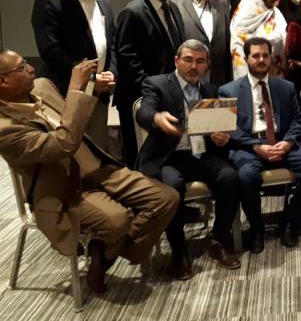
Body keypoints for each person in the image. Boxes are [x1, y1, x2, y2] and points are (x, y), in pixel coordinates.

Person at [0, 52, 178, 293]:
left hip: (96, 167)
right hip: (63, 190)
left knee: (166, 198)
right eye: (22, 67)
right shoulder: (5, 129)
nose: (31, 69)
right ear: (3, 81)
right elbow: (63, 144)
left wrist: (93, 90)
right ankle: (108, 247)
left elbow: (73, 118)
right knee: (117, 220)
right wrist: (75, 88)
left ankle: (104, 254)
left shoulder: (42, 87)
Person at [136, 40, 241, 279]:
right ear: (177, 61)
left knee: (230, 177)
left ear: (207, 65)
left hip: (201, 155)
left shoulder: (212, 91)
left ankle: (219, 240)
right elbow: (144, 111)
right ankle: (179, 251)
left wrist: (220, 138)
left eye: (200, 61)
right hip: (168, 157)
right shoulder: (157, 84)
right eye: (188, 60)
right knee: (172, 186)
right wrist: (156, 117)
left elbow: (218, 131)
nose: (194, 66)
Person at [219, 37, 301, 249]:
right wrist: (255, 146)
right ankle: (256, 228)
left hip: (282, 143)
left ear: (271, 58)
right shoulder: (229, 91)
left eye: (265, 55)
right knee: (246, 176)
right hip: (249, 147)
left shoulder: (286, 87)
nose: (261, 60)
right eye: (255, 56)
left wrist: (287, 143)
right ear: (246, 58)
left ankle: (291, 220)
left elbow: (298, 120)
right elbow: (229, 128)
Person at [31, 0, 117, 148]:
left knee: (97, 154)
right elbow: (50, 51)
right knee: (68, 156)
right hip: (64, 95)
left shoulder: (104, 3)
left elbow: (112, 45)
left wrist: (112, 73)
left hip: (98, 96)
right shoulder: (50, 1)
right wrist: (91, 79)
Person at [115, 0, 185, 166]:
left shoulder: (173, 9)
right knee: (139, 157)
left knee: (166, 156)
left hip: (168, 94)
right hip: (139, 95)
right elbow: (126, 56)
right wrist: (151, 89)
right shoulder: (132, 12)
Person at [172, 0, 232, 86]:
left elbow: (228, 44)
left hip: (218, 80)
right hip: (185, 79)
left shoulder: (221, 2)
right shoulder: (172, 2)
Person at [230, 0, 287, 79]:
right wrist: (246, 82)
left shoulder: (277, 15)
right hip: (248, 78)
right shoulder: (242, 15)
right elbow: (237, 49)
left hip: (275, 78)